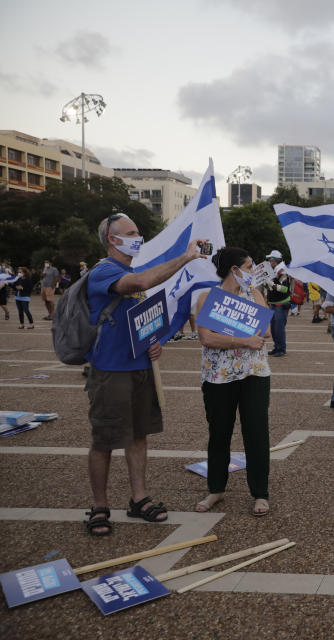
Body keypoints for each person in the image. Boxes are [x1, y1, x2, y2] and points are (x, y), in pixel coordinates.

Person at [83, 212, 208, 536]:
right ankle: (99, 506)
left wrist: (153, 343)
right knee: (105, 440)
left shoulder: (132, 269)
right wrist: (186, 257)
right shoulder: (104, 272)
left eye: (137, 231)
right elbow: (139, 284)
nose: (138, 237)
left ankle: (139, 498)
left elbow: (139, 321)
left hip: (140, 367)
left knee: (139, 435)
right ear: (113, 239)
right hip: (111, 371)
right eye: (132, 232)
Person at [194, 247, 273, 517]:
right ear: (234, 270)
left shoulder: (256, 295)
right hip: (218, 377)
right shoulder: (206, 299)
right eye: (249, 267)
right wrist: (243, 338)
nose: (253, 272)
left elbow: (265, 332)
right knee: (219, 433)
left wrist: (229, 330)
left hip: (254, 374)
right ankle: (216, 488)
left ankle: (260, 493)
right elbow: (207, 338)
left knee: (256, 434)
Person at [265, 250, 291, 357]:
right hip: (274, 303)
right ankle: (277, 347)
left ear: (275, 261)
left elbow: (284, 289)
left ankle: (281, 348)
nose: (269, 262)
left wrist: (271, 284)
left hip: (281, 304)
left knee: (279, 328)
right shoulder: (276, 270)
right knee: (274, 328)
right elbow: (274, 288)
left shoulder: (282, 271)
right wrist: (268, 285)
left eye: (270, 260)